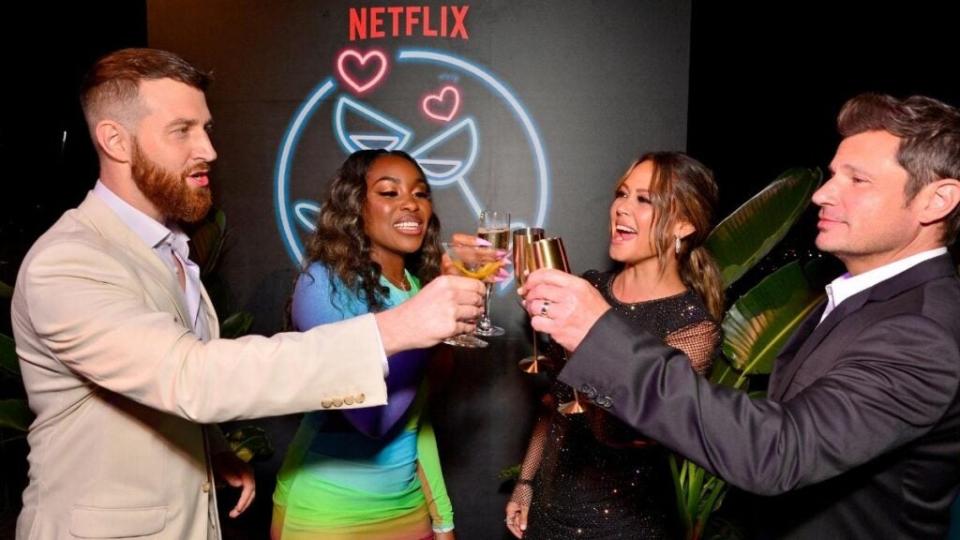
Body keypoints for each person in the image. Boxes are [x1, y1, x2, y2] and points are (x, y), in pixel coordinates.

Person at [10, 48, 485, 540]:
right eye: (182, 130)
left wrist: (209, 448)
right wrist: (402, 326)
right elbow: (189, 376)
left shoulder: (169, 250)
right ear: (115, 140)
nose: (209, 151)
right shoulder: (69, 262)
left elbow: (147, 384)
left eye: (206, 128)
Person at [520, 93, 960, 539]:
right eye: (832, 177)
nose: (823, 194)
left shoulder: (923, 332)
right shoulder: (862, 300)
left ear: (936, 200)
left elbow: (776, 452)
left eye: (857, 180)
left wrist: (599, 335)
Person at [505, 152, 723, 539]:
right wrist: (525, 482)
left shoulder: (692, 327)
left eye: (645, 200)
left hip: (623, 526)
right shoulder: (591, 287)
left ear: (684, 224)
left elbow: (625, 432)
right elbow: (555, 404)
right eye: (622, 194)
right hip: (548, 513)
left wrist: (584, 342)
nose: (622, 208)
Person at [271, 149, 456, 539]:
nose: (411, 203)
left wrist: (442, 518)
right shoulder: (323, 285)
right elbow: (370, 419)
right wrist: (429, 325)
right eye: (389, 193)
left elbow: (415, 423)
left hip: (407, 508)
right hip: (326, 511)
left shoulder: (421, 291)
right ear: (355, 206)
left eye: (421, 194)